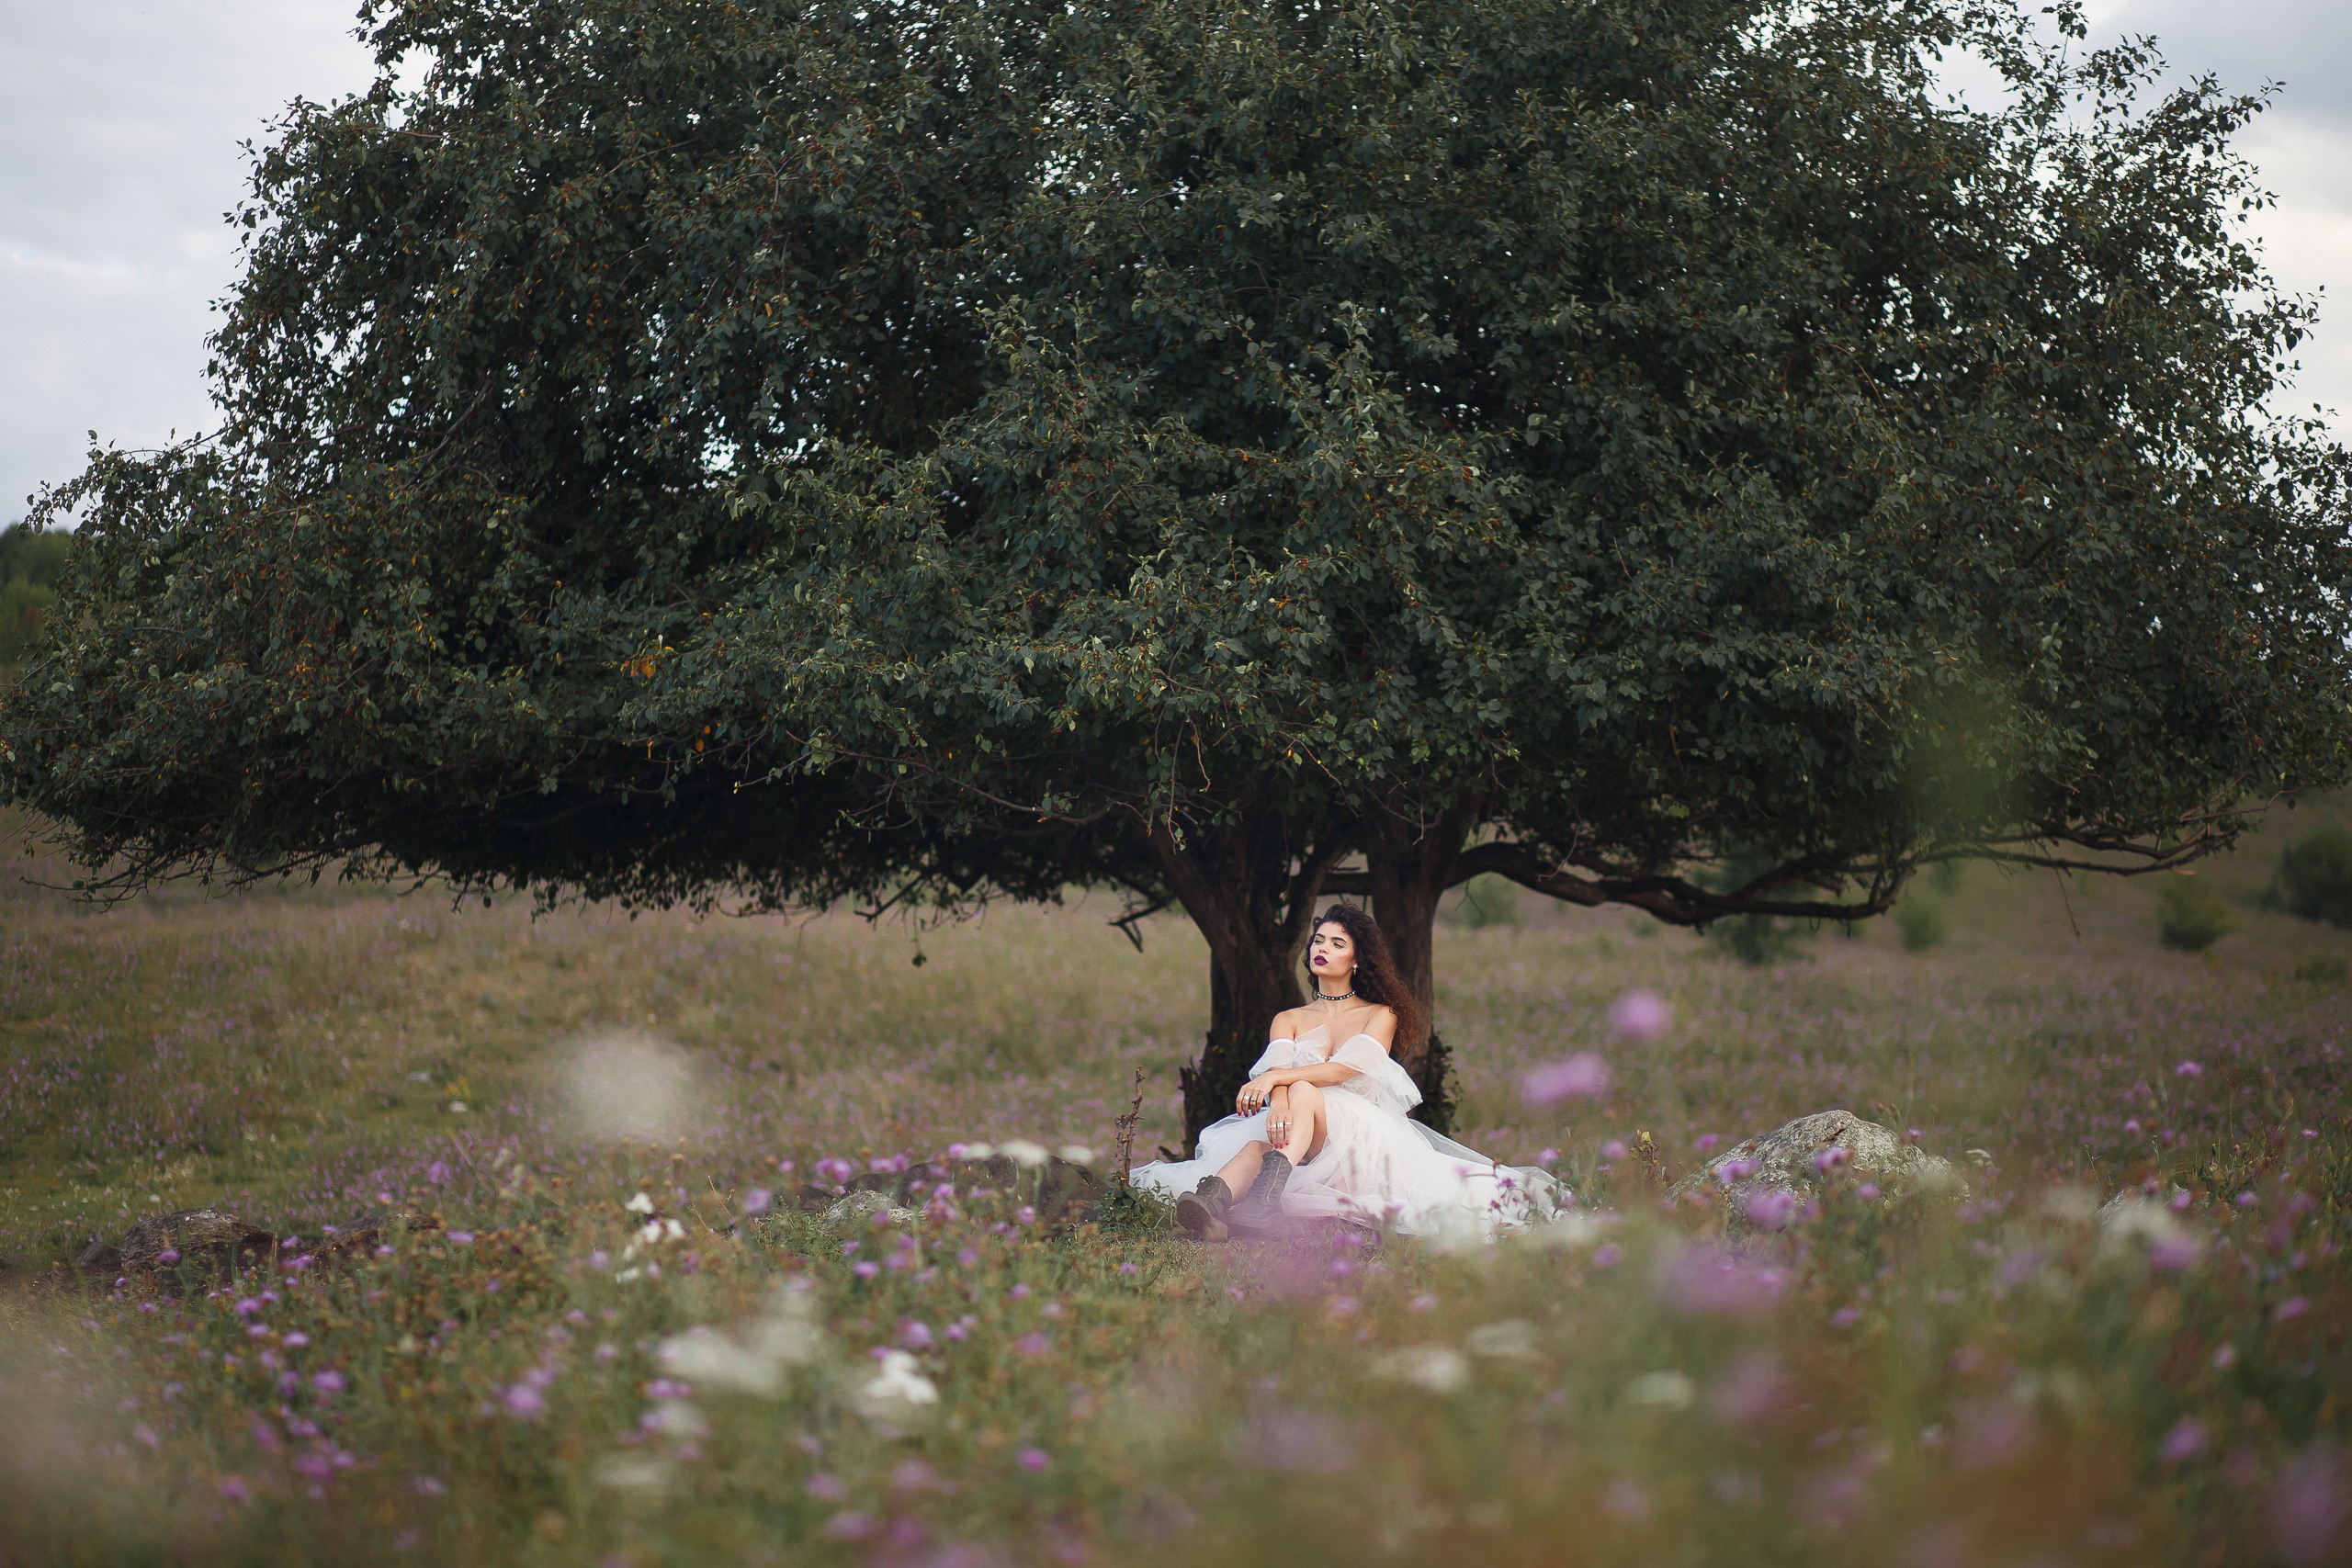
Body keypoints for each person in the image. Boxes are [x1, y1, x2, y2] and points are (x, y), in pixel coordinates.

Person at [1133, 905, 1565, 1242]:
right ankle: (1212, 1207)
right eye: (1318, 940)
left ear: (1357, 959)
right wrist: (1277, 1102)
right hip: (1299, 1130)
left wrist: (1272, 1082)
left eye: (1337, 943)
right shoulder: (1289, 1018)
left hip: (1356, 1138)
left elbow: (1341, 1070)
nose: (1322, 948)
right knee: (1255, 1146)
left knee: (1304, 1088)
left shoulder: (1381, 1014)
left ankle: (1259, 1200)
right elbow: (1279, 1071)